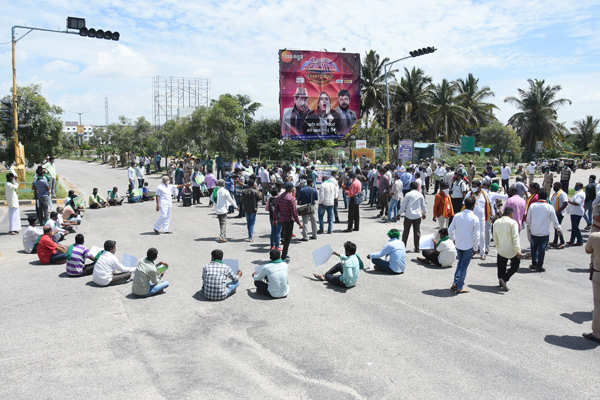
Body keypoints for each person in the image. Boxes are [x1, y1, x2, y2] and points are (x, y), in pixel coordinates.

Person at [449, 196, 480, 294]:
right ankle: (459, 286)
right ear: (473, 206)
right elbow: (476, 235)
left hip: (459, 244)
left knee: (460, 265)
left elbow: (450, 230)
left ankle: (455, 282)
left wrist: (453, 239)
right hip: (468, 245)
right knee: (464, 266)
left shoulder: (458, 215)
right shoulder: (475, 218)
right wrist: (475, 248)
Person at [526, 190, 561, 272]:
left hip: (534, 232)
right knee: (542, 250)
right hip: (544, 233)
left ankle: (534, 264)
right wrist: (558, 229)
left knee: (533, 249)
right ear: (546, 197)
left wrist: (531, 227)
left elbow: (528, 220)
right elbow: (555, 221)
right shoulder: (549, 207)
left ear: (538, 197)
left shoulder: (532, 206)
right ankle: (539, 266)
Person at [493, 207, 522, 291]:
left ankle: (501, 281)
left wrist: (497, 247)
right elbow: (515, 237)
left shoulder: (496, 222)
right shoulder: (513, 223)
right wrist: (518, 250)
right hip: (512, 250)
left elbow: (495, 237)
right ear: (511, 214)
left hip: (501, 249)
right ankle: (505, 278)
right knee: (515, 266)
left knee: (501, 266)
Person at [464, 180, 492, 260]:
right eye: (472, 186)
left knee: (482, 236)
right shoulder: (469, 194)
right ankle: (473, 250)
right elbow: (464, 204)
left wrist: (491, 214)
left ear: (480, 187)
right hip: (470, 218)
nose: (473, 188)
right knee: (471, 235)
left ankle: (482, 253)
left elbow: (489, 204)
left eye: (475, 186)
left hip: (481, 219)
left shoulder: (484, 194)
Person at [275, 182, 303, 260]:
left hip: (281, 219)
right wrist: (299, 223)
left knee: (284, 236)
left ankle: (283, 253)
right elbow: (294, 212)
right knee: (287, 239)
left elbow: (276, 210)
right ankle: (284, 255)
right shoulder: (291, 198)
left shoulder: (279, 197)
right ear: (291, 189)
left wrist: (275, 219)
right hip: (289, 220)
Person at [583, 232, 600, 344]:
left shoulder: (595, 236)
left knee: (598, 305)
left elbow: (588, 250)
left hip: (598, 273)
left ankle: (597, 333)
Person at [400, 181, 427, 252]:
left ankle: (403, 247)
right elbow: (423, 205)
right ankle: (417, 248)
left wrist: (399, 213)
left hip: (408, 215)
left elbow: (403, 205)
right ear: (417, 187)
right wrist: (424, 213)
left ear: (410, 187)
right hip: (417, 216)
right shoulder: (420, 194)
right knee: (417, 232)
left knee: (406, 232)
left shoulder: (408, 194)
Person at [567, 182, 586, 246]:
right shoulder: (578, 193)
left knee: (575, 227)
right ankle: (572, 240)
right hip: (575, 212)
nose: (575, 187)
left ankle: (580, 241)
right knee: (574, 227)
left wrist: (569, 201)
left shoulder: (580, 194)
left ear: (579, 186)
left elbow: (577, 203)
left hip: (577, 212)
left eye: (576, 185)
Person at [550, 182, 568, 248]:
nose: (553, 187)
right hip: (555, 213)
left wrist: (558, 211)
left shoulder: (562, 194)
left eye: (554, 186)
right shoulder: (555, 194)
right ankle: (555, 241)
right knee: (555, 227)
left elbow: (565, 203)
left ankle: (562, 242)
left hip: (559, 213)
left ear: (558, 186)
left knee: (557, 227)